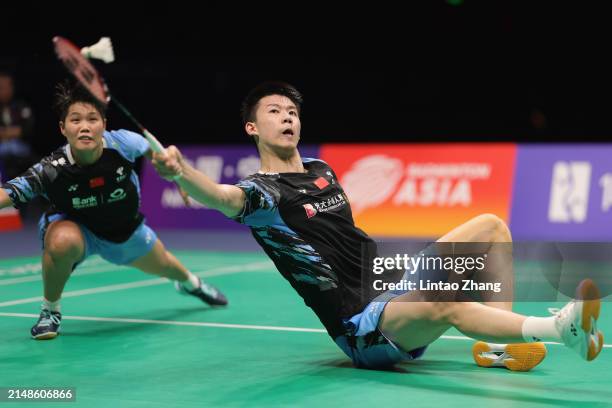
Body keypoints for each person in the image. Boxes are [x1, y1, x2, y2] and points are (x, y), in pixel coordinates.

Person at [151, 81, 604, 370]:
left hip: (387, 277)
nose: (287, 116)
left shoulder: (320, 168)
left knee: (490, 226)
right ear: (251, 127)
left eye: (292, 111)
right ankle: (557, 330)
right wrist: (179, 172)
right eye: (275, 111)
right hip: (362, 325)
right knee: (446, 301)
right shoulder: (262, 194)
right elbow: (222, 197)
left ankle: (501, 342)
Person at [0, 82, 228, 340]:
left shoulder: (122, 144)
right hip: (77, 229)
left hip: (124, 232)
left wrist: (179, 176)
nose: (85, 126)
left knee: (166, 265)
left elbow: (159, 153)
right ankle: (50, 311)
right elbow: (8, 192)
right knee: (62, 242)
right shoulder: (52, 168)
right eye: (75, 120)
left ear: (104, 124)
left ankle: (191, 284)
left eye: (92, 119)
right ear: (63, 128)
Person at [0, 71, 36, 181]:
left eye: (7, 86)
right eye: (1, 87)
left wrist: (4, 133)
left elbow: (26, 129)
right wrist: (12, 132)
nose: (4, 90)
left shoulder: (21, 105)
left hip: (22, 151)